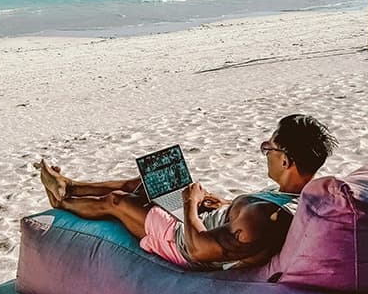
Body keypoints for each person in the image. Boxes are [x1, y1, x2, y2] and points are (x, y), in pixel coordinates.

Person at [36, 114, 338, 270]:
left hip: (182, 241)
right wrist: (222, 204)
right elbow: (244, 220)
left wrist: (190, 204)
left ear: (286, 160)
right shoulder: (296, 195)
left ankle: (63, 200)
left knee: (118, 202)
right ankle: (72, 185)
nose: (265, 152)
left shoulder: (263, 218)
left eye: (267, 148)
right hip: (205, 221)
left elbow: (198, 251)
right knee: (145, 183)